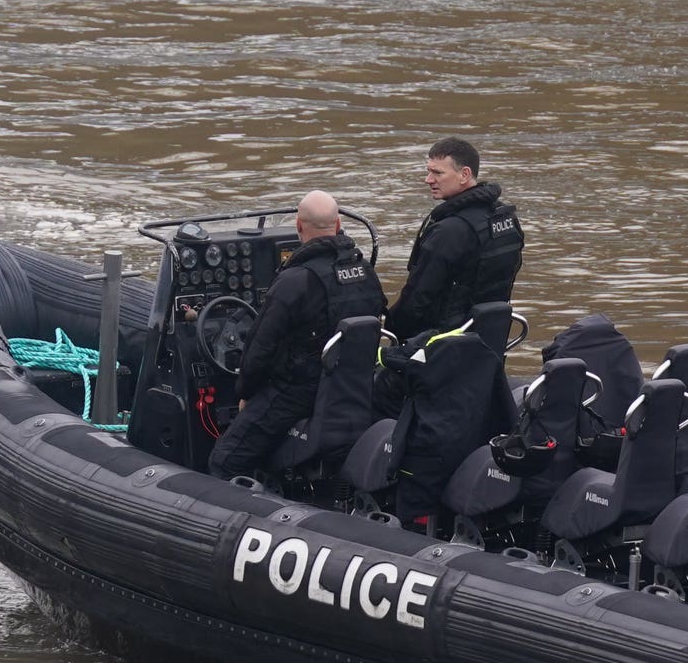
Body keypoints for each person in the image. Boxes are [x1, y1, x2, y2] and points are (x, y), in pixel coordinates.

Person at [209, 190, 386, 480]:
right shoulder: (365, 272)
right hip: (352, 387)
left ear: (299, 226)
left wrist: (245, 394)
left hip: (297, 391)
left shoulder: (295, 281)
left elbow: (260, 348)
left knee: (225, 460)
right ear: (339, 225)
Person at [383, 136, 523, 340]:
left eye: (437, 173)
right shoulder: (505, 218)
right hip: (490, 340)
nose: (428, 180)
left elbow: (417, 299)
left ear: (464, 174)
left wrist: (393, 330)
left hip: (443, 348)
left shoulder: (450, 231)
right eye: (428, 171)